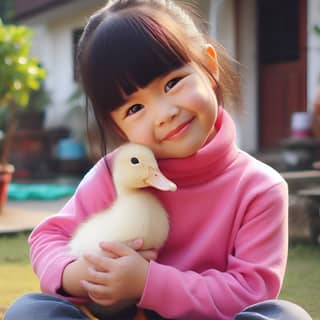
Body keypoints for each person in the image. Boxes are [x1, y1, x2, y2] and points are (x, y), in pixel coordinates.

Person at [4, 0, 312, 319]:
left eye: (172, 83)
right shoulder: (118, 171)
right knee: (31, 310)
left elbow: (252, 291)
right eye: (134, 109)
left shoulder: (259, 187)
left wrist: (148, 282)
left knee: (284, 316)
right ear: (117, 127)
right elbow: (47, 237)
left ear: (209, 67)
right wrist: (81, 273)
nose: (165, 115)